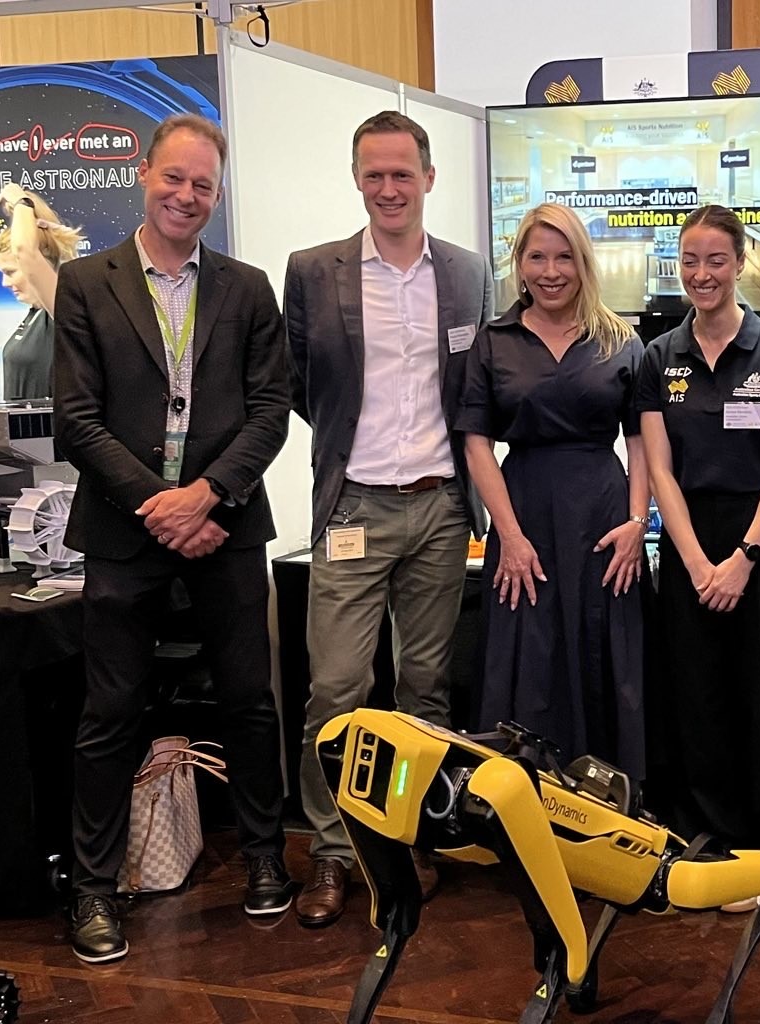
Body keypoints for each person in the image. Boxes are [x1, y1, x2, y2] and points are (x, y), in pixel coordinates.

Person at [53, 112, 294, 964]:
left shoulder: (247, 286)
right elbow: (76, 420)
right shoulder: (86, 283)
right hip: (125, 532)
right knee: (110, 712)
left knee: (250, 701)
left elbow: (271, 413)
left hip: (224, 524)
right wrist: (159, 505)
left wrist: (203, 497)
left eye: (203, 186)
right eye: (174, 179)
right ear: (144, 175)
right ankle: (92, 892)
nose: (186, 196)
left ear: (216, 196)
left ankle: (267, 861)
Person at [284, 110, 496, 928]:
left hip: (442, 508)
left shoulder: (468, 272)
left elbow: (473, 385)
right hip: (354, 507)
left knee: (423, 690)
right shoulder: (313, 270)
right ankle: (334, 855)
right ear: (357, 178)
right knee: (336, 690)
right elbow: (303, 383)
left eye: (402, 173)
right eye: (374, 173)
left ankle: (409, 839)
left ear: (430, 178)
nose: (388, 188)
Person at [637, 206, 760, 875]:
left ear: (740, 263)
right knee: (698, 696)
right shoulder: (660, 357)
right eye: (690, 260)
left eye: (715, 260)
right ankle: (711, 837)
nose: (701, 274)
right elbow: (659, 469)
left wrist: (742, 559)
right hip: (688, 541)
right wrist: (693, 562)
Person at [457, 202, 647, 779]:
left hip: (603, 516)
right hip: (525, 515)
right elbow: (475, 444)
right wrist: (508, 535)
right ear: (518, 264)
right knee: (527, 652)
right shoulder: (494, 341)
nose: (551, 270)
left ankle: (607, 801)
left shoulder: (621, 340)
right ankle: (519, 800)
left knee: (601, 647)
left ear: (584, 263)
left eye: (564, 256)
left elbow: (641, 444)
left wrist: (638, 524)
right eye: (536, 256)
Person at [0, 183, 84, 400]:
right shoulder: (34, 315)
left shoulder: (64, 308)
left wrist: (21, 202)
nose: (5, 282)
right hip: (17, 434)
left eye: (10, 271)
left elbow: (26, 250)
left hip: (52, 434)